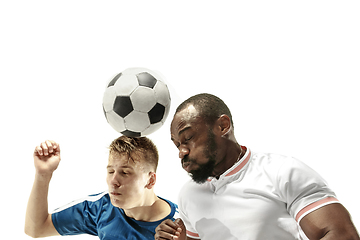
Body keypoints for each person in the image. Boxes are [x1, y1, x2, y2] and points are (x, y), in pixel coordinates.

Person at [155, 93, 359, 240]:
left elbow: (341, 234)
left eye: (188, 138)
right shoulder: (188, 194)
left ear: (222, 126)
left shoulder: (282, 171)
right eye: (177, 145)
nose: (182, 152)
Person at [25, 136, 178, 239]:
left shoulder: (181, 224)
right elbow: (36, 228)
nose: (113, 181)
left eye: (125, 173)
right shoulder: (101, 207)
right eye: (110, 171)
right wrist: (43, 174)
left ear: (150, 180)